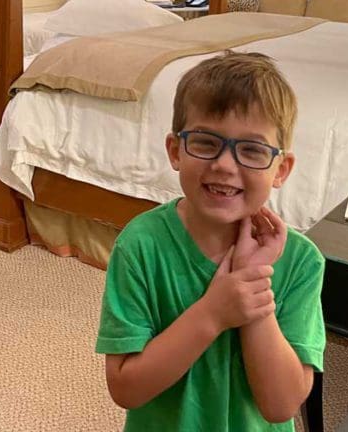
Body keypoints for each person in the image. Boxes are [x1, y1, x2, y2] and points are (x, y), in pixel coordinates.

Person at [96, 51, 325, 431]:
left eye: (252, 150)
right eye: (205, 142)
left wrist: (252, 292)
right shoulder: (140, 246)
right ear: (175, 151)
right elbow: (125, 388)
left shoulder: (302, 262)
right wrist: (213, 313)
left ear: (280, 170)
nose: (224, 164)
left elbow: (280, 405)